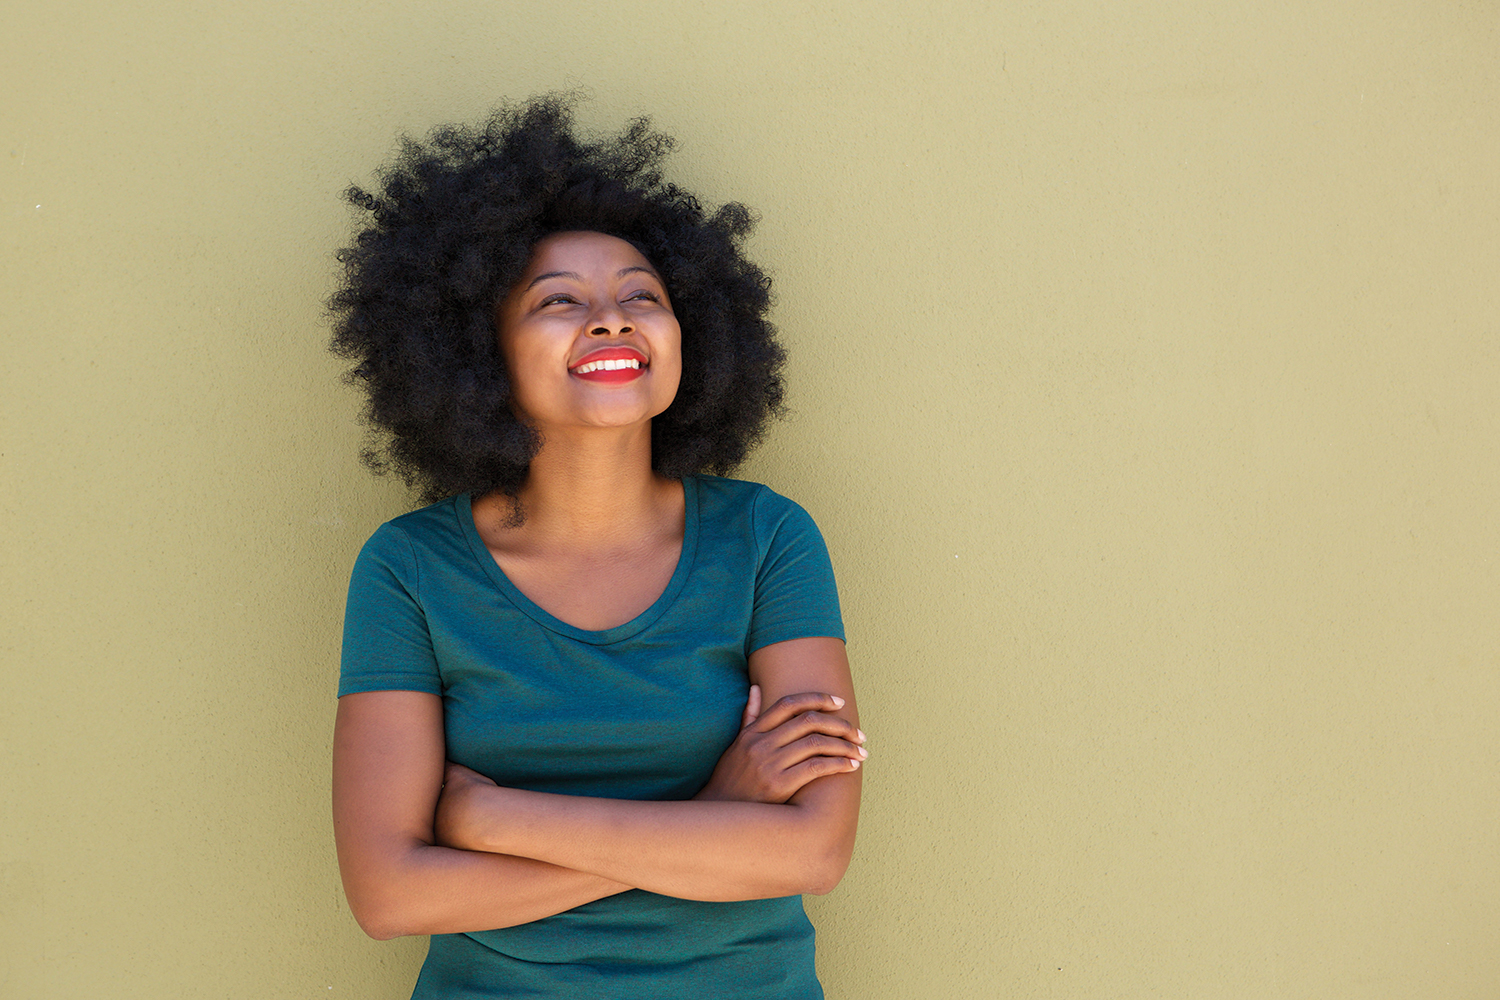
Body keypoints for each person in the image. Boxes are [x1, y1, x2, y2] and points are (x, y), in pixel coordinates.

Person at [327, 96, 865, 999]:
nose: (613, 318)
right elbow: (389, 895)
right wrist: (715, 817)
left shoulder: (768, 540)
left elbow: (814, 850)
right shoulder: (411, 568)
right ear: (479, 351)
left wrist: (495, 819)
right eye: (559, 300)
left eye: (642, 295)